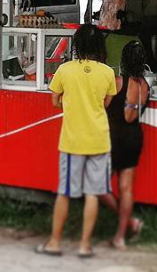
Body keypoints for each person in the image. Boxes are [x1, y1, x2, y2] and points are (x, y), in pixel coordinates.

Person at [37, 24, 117, 258]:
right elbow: (106, 104)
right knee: (93, 193)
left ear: (77, 45)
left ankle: (55, 242)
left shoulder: (65, 70)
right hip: (99, 140)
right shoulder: (107, 73)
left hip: (73, 141)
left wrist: (69, 102)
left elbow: (54, 101)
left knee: (65, 192)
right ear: (99, 46)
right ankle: (84, 245)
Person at [99, 40, 150, 249]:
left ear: (123, 60)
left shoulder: (119, 82)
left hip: (114, 138)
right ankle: (121, 236)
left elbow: (103, 106)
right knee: (126, 189)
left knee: (99, 185)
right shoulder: (146, 86)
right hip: (134, 138)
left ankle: (130, 222)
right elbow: (132, 114)